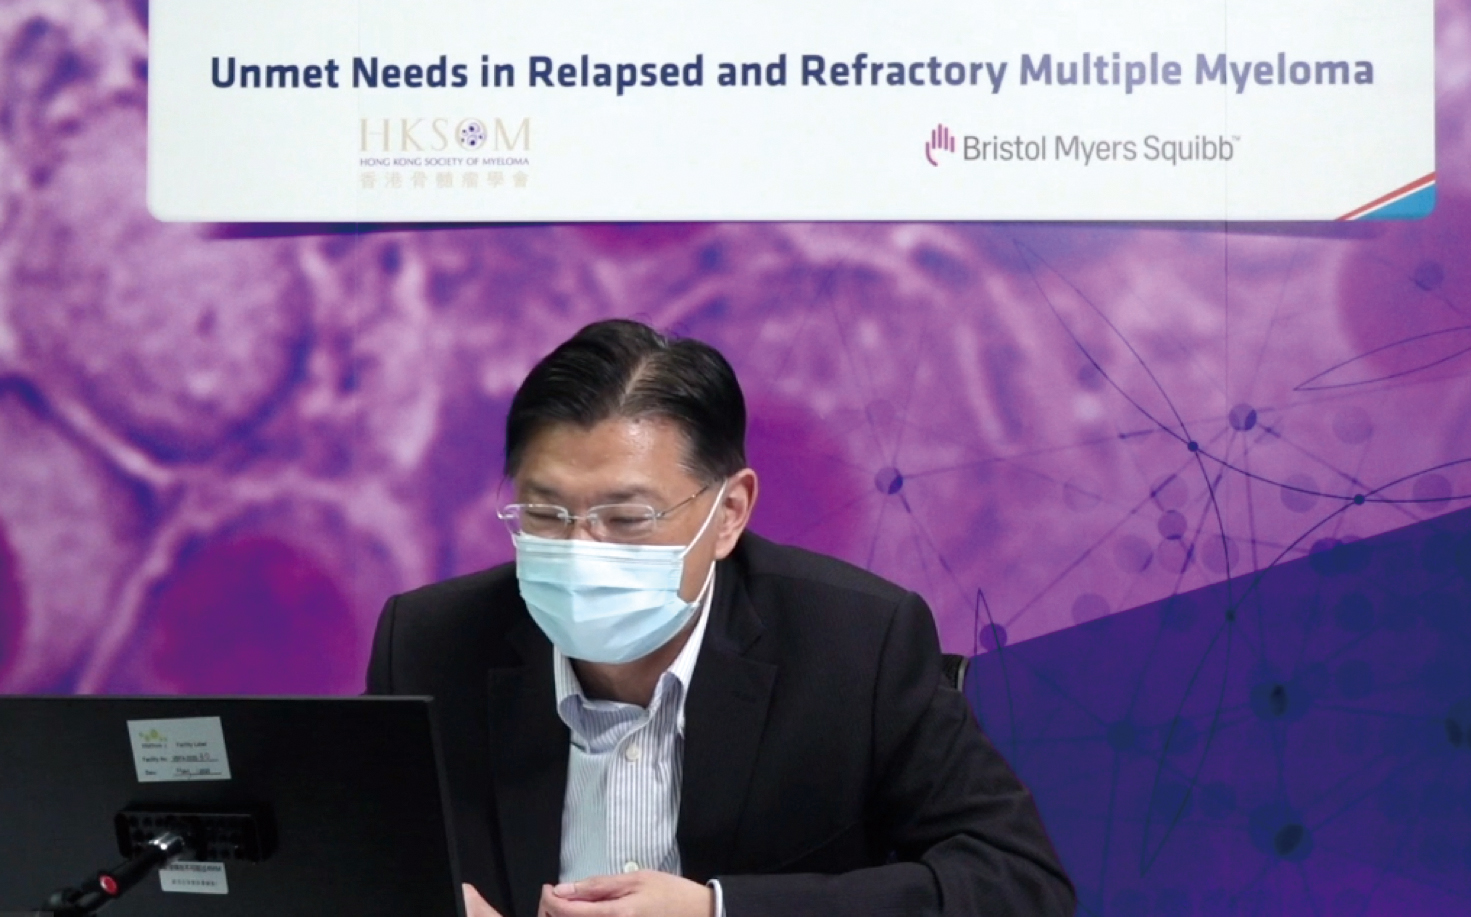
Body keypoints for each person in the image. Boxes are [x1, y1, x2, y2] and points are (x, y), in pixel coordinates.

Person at [366, 319, 1075, 917]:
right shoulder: (428, 643)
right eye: (546, 514)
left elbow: (1019, 884)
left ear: (729, 512)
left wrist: (719, 910)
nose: (582, 550)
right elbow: (350, 862)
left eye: (626, 518)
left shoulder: (857, 644)